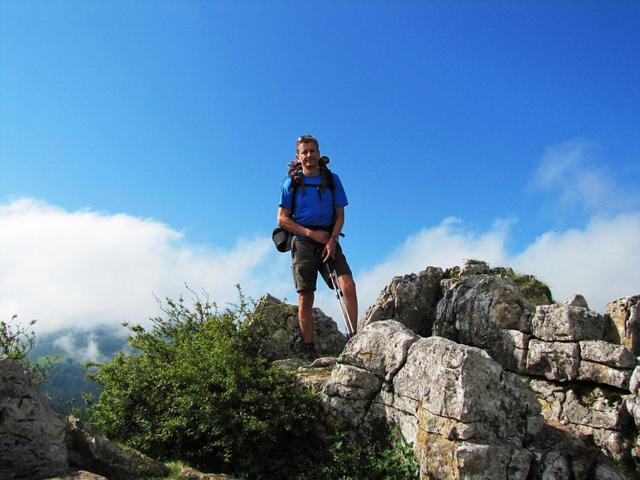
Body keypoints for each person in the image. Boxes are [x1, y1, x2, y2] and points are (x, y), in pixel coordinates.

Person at [277, 135, 358, 357]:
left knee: (347, 285)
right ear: (298, 156)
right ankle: (309, 348)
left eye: (312, 151)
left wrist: (332, 240)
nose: (309, 155)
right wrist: (311, 234)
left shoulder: (332, 180)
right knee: (305, 296)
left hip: (329, 238)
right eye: (304, 152)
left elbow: (340, 216)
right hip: (303, 241)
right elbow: (282, 219)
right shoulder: (291, 183)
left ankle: (354, 338)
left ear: (319, 153)